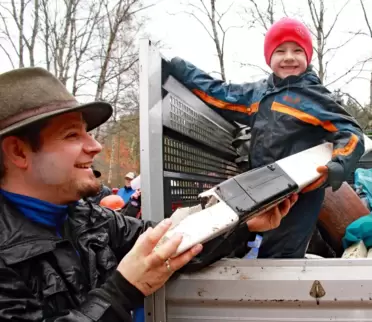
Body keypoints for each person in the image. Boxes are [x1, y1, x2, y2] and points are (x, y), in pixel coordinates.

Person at [0, 67, 298, 321]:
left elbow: (174, 243)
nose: (95, 146)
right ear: (18, 152)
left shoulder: (91, 219)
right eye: (72, 135)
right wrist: (121, 292)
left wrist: (243, 222)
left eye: (88, 132)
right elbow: (125, 288)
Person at [168, 17, 365, 259]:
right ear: (269, 58)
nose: (289, 57)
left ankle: (284, 295)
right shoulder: (258, 94)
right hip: (262, 189)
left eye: (297, 50)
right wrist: (181, 68)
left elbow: (350, 131)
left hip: (299, 195)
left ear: (308, 57)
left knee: (283, 254)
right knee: (261, 245)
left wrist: (339, 163)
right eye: (280, 50)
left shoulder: (314, 96)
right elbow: (220, 94)